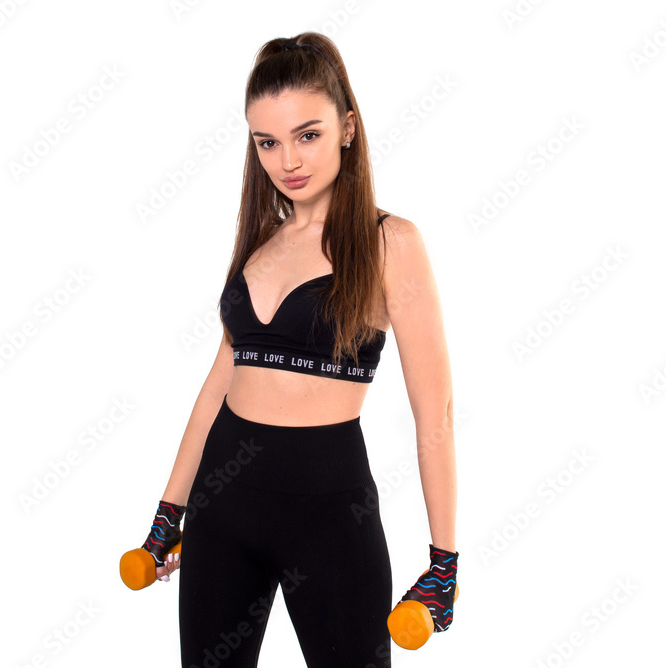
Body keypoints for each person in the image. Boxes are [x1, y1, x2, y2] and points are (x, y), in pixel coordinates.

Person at [136, 33, 458, 668]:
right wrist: (169, 510)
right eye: (267, 142)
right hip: (222, 510)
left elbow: (436, 415)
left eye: (306, 134)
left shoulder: (391, 242)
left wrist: (443, 563)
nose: (288, 160)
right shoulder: (260, 244)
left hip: (331, 514)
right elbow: (215, 389)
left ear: (347, 127)